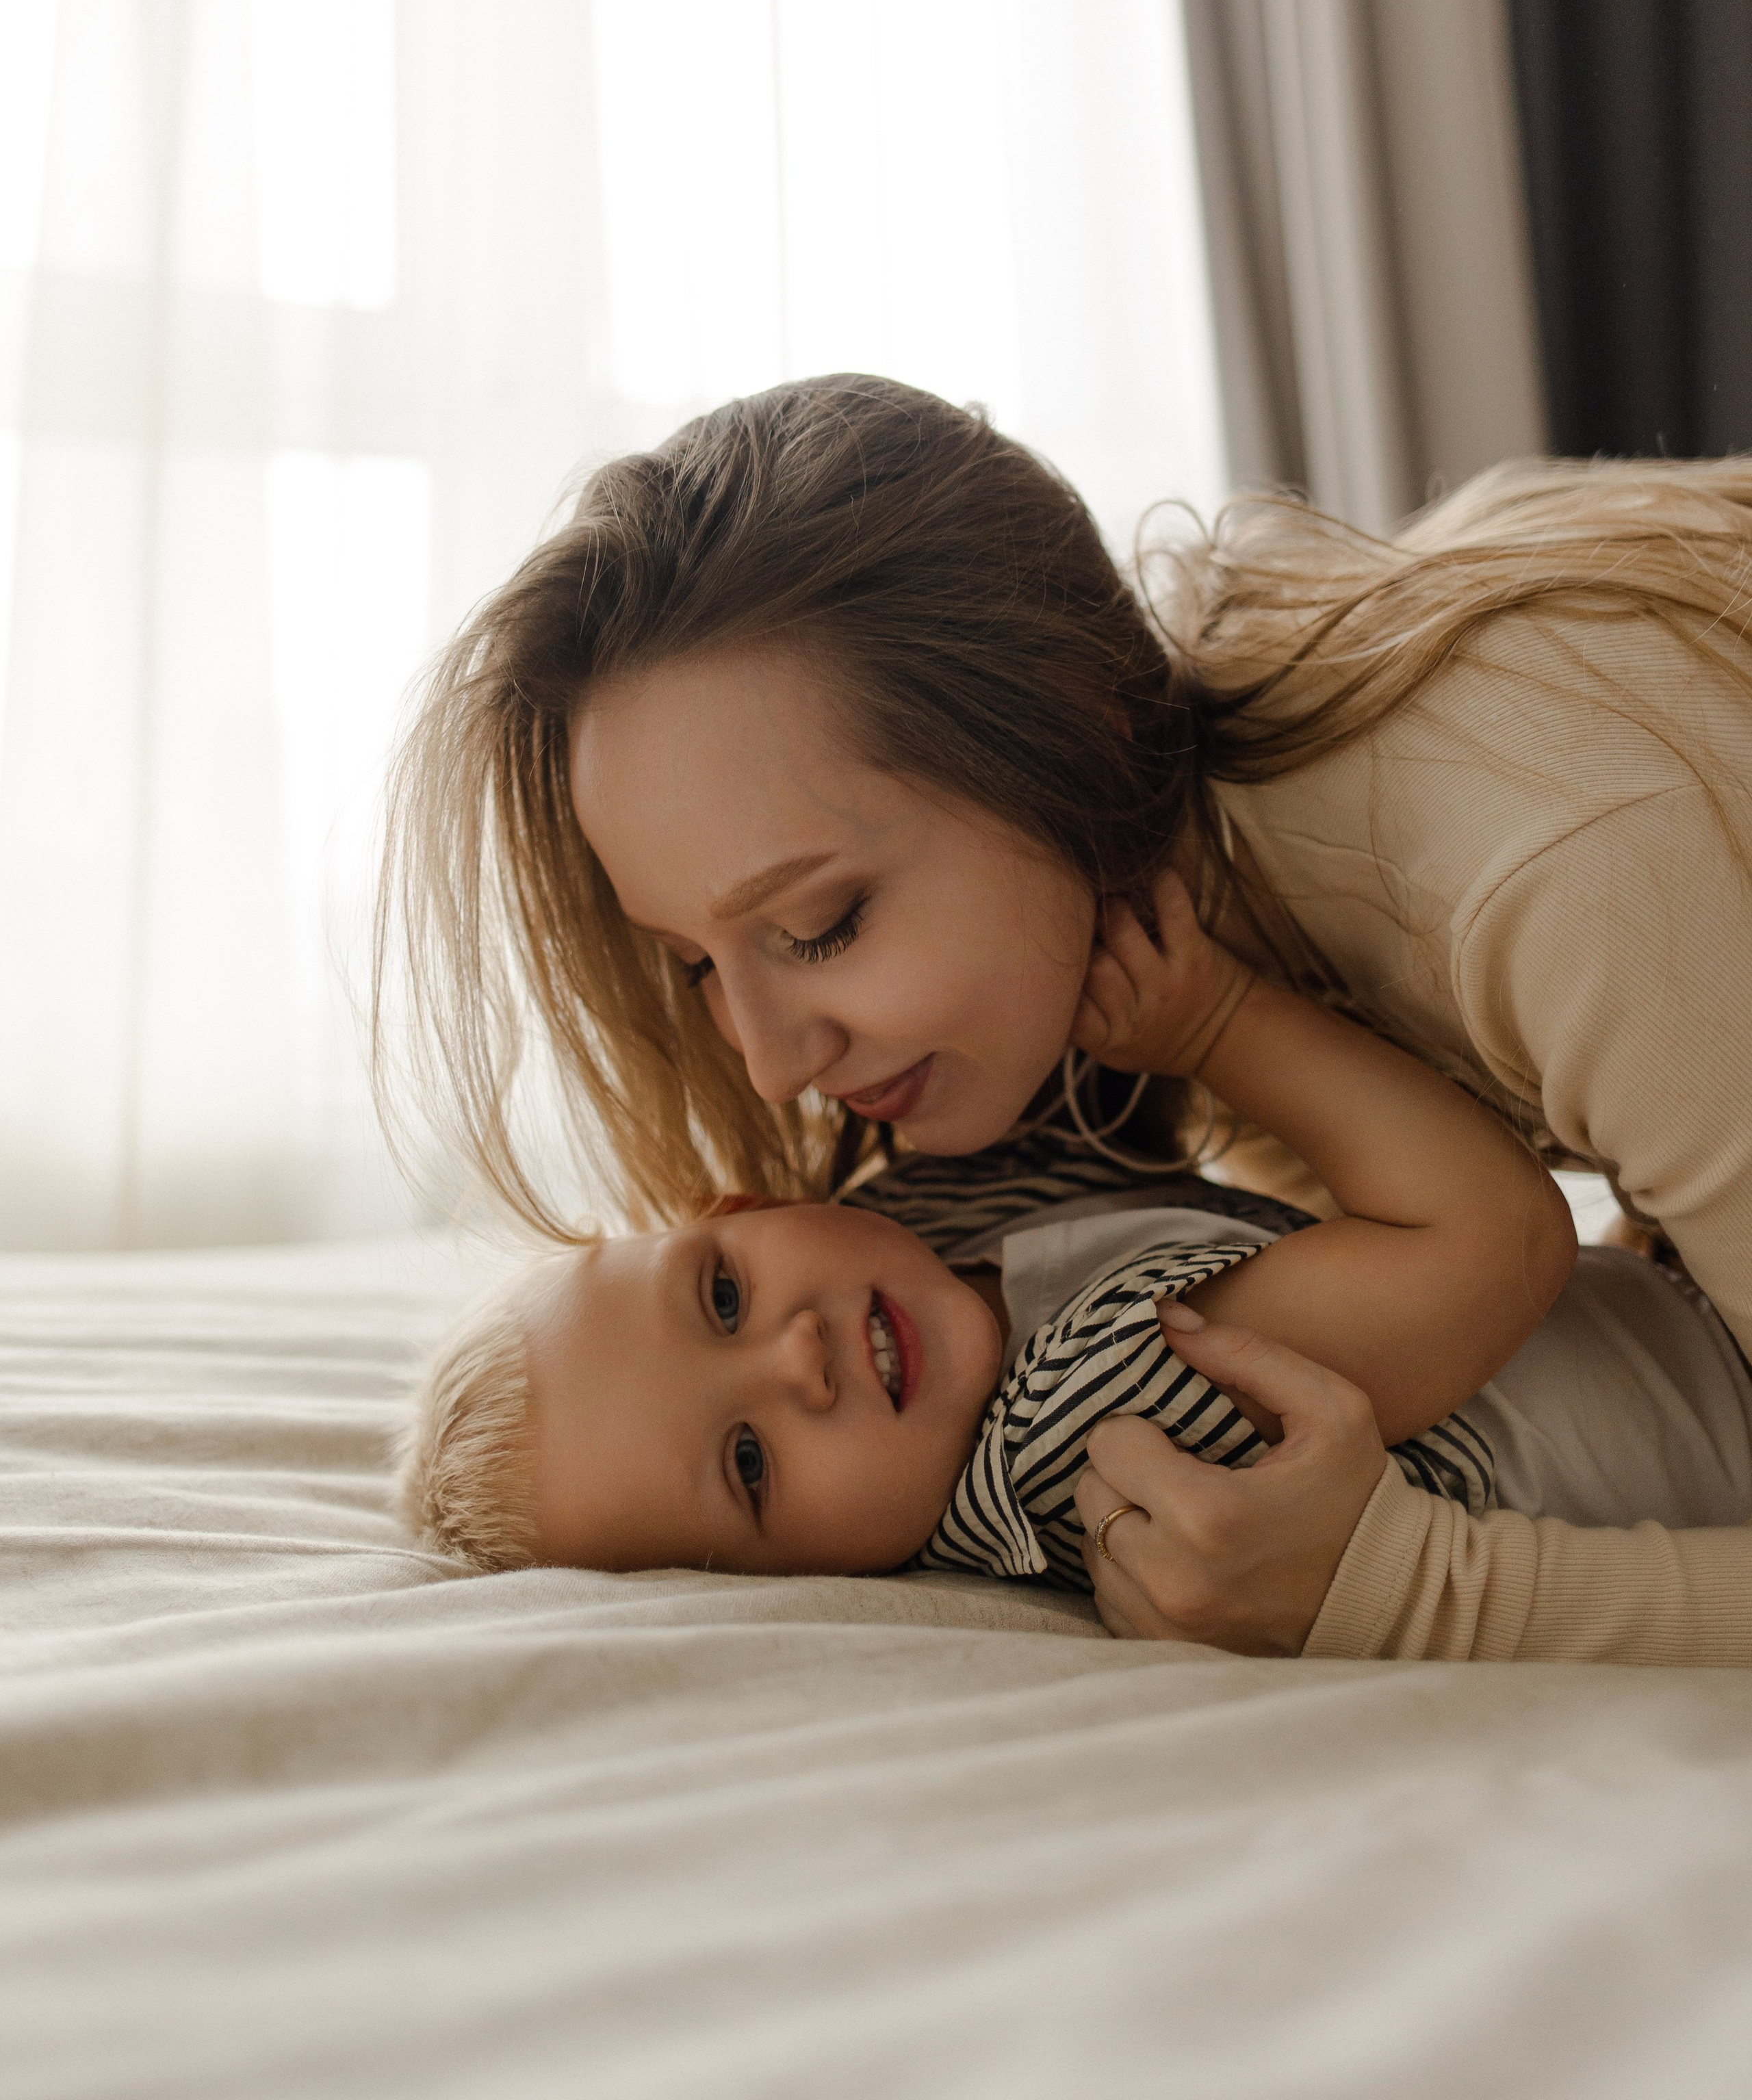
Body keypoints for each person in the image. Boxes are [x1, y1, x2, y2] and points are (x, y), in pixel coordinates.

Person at [377, 375, 1752, 1661]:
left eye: (816, 927)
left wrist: (1420, 1592)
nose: (774, 1064)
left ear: (1078, 731)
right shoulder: (1146, 994)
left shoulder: (1550, 873)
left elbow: (1490, 1247)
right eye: (694, 964)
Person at [399, 877, 1752, 1590]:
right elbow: (1494, 1240)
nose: (798, 1360)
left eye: (720, 1298)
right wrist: (1215, 1023)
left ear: (736, 1216)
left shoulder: (921, 1233)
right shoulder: (1082, 1422)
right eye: (748, 1463)